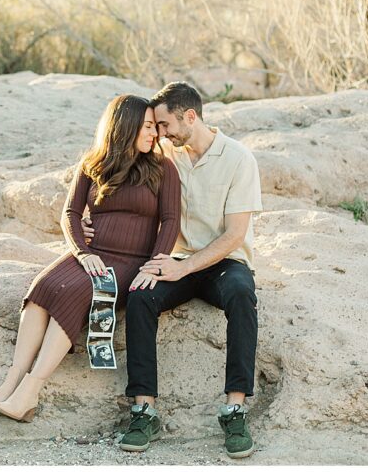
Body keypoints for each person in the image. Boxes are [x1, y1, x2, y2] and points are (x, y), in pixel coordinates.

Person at [0, 94, 181, 422]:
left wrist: (155, 264)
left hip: (131, 262)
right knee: (43, 287)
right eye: (146, 127)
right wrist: (82, 253)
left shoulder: (162, 168)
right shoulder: (93, 162)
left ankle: (30, 392)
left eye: (155, 128)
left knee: (74, 292)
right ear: (125, 127)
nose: (154, 134)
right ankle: (10, 382)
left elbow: (171, 220)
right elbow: (70, 213)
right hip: (93, 254)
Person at [97, 82, 262, 458]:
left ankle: (234, 408)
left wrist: (183, 267)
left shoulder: (239, 159)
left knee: (241, 294)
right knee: (140, 296)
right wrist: (92, 223)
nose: (160, 133)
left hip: (224, 264)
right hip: (176, 261)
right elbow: (112, 178)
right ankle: (144, 410)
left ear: (190, 117)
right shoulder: (166, 156)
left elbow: (235, 234)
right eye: (155, 126)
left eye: (165, 124)